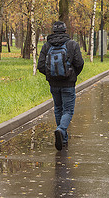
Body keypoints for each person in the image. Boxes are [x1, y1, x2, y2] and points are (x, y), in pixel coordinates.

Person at [37, 21, 84, 151]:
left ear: (53, 31)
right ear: (64, 30)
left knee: (58, 108)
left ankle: (63, 139)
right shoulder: (72, 44)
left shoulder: (47, 46)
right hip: (68, 83)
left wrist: (50, 76)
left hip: (53, 84)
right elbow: (79, 63)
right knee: (68, 110)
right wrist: (72, 75)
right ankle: (61, 129)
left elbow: (40, 65)